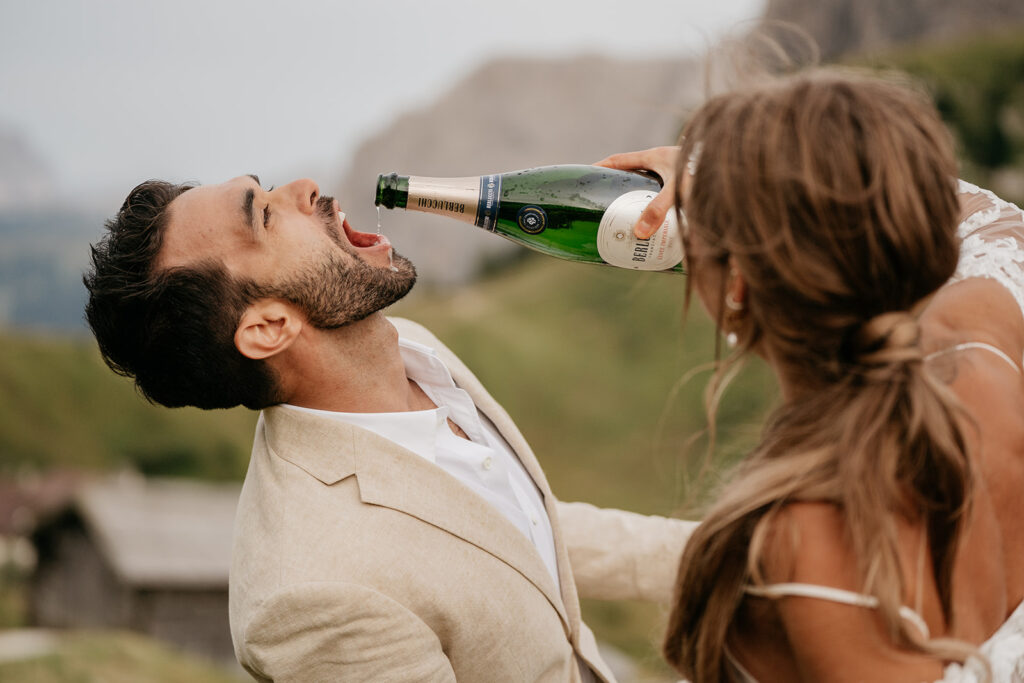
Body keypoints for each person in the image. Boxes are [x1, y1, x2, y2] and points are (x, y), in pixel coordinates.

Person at [83, 174, 697, 681]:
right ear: (268, 327)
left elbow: (516, 535)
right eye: (265, 216)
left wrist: (736, 550)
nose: (305, 187)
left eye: (267, 186)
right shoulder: (306, 596)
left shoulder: (413, 352)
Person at [598, 68, 1024, 682]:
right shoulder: (980, 355)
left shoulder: (805, 540)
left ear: (738, 282)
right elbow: (993, 224)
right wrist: (753, 182)